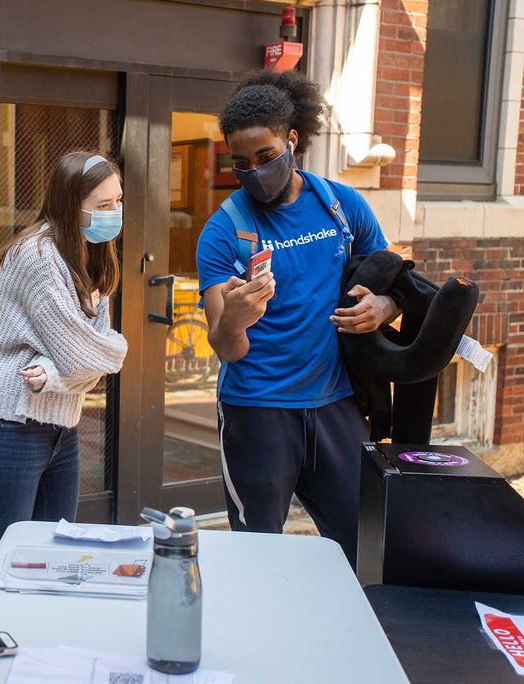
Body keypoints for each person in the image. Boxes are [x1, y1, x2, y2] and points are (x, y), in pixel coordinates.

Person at [197, 70, 398, 565]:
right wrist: (236, 318)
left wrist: (382, 307)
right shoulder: (224, 233)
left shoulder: (341, 205)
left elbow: (395, 284)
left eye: (266, 157)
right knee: (258, 555)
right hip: (257, 412)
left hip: (337, 405)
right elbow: (227, 348)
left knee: (365, 544)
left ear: (292, 141)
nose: (254, 172)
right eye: (240, 163)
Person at [0, 151, 129, 607]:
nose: (113, 212)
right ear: (69, 203)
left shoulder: (90, 252)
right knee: (0, 561)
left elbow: (81, 361)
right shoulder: (37, 256)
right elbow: (89, 351)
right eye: (102, 204)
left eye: (117, 201)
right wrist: (111, 352)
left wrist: (56, 376)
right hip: (10, 431)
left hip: (62, 429)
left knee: (53, 557)